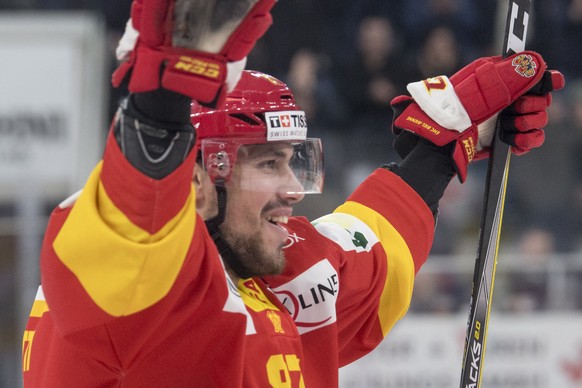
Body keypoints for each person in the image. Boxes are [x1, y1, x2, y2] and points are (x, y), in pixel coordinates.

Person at [21, 1, 564, 387]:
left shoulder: (270, 271)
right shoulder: (126, 297)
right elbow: (131, 235)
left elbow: (370, 253)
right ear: (195, 180)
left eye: (295, 162)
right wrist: (161, 104)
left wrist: (445, 142)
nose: (293, 189)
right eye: (267, 163)